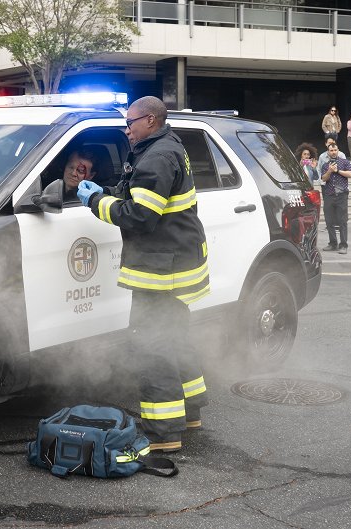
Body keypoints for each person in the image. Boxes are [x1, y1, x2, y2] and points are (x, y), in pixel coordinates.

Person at [77, 96, 209, 453]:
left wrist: (94, 203)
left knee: (152, 345)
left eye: (130, 121)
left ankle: (164, 433)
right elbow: (139, 195)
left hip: (161, 270)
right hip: (176, 262)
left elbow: (140, 216)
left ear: (150, 120)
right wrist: (106, 192)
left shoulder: (157, 156)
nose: (126, 127)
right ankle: (190, 412)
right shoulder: (165, 146)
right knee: (177, 338)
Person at [320, 142, 351, 254]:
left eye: (335, 150)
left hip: (341, 196)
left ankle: (343, 245)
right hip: (329, 195)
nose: (333, 152)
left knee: (342, 221)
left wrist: (338, 171)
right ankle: (332, 243)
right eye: (331, 150)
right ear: (328, 152)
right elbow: (323, 179)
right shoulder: (325, 165)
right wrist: (330, 171)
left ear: (338, 150)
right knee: (329, 221)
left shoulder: (345, 162)